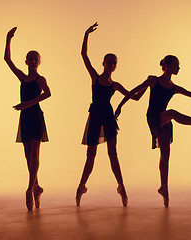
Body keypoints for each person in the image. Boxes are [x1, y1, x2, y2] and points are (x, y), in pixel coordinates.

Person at [115, 55, 191, 207]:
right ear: (166, 66)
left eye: (178, 66)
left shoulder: (174, 88)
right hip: (154, 117)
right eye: (175, 65)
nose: (178, 68)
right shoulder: (153, 80)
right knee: (172, 113)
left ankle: (164, 188)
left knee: (165, 153)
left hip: (164, 119)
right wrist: (120, 107)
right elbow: (132, 92)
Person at [76, 22, 146, 207]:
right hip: (95, 116)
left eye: (114, 63)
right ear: (103, 63)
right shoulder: (95, 77)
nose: (112, 65)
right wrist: (86, 34)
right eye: (109, 62)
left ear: (115, 66)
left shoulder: (115, 85)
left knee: (113, 154)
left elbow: (135, 97)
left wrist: (147, 84)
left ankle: (122, 187)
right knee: (90, 155)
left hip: (108, 117)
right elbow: (83, 55)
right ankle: (81, 187)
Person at [4, 27, 51, 211]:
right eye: (30, 59)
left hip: (35, 117)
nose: (32, 61)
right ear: (26, 61)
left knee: (35, 153)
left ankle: (30, 188)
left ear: (39, 62)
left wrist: (27, 104)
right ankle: (37, 187)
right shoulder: (23, 78)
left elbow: (48, 94)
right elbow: (7, 60)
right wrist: (8, 39)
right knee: (27, 155)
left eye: (35, 59)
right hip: (25, 118)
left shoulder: (40, 79)